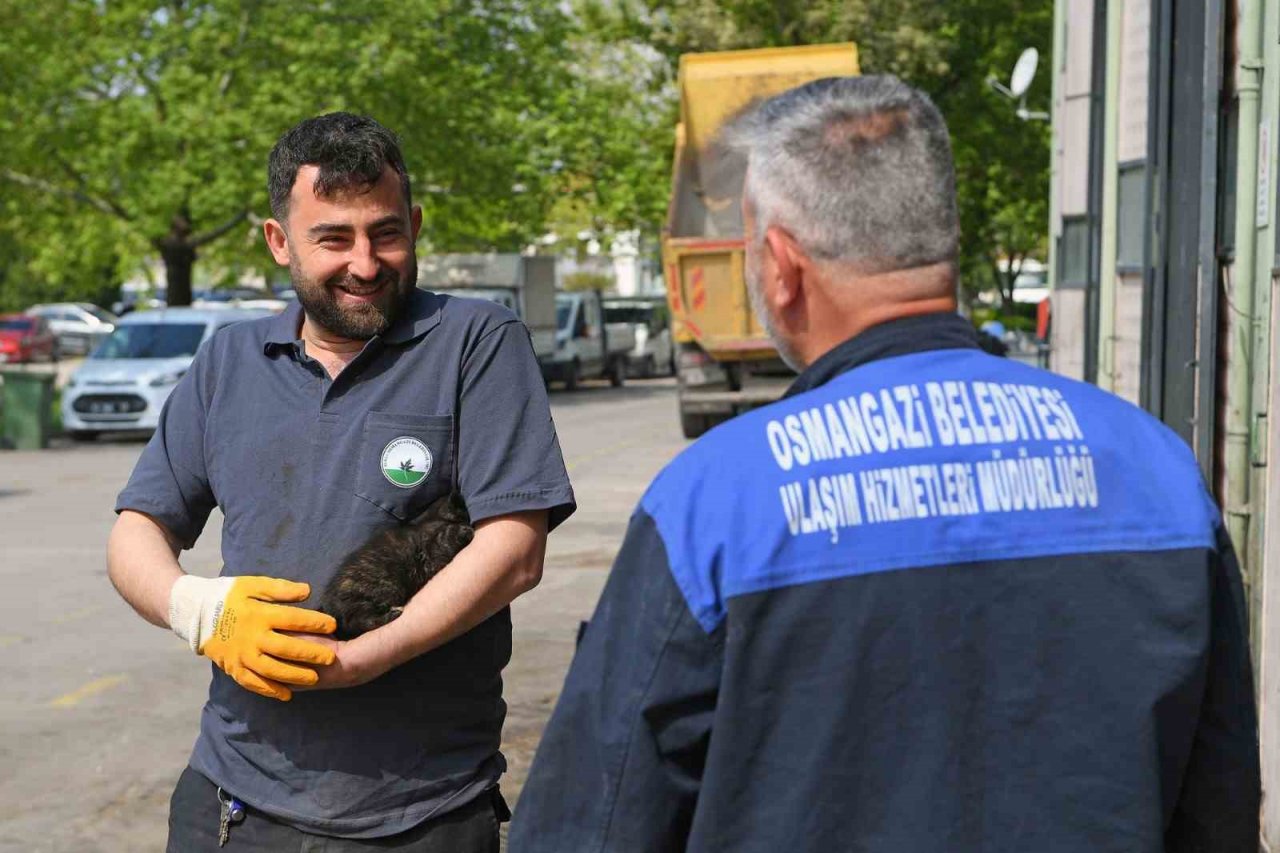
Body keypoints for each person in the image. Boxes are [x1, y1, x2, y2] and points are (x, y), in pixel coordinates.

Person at [509, 76, 1259, 852]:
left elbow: (591, 823)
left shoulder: (715, 504)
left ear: (779, 265)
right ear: (943, 238)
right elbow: (1221, 807)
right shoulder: (1158, 471)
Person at [107, 113, 575, 851]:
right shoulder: (230, 361)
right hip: (235, 802)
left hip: (421, 810)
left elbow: (516, 546)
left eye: (385, 232)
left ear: (415, 225)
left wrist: (362, 658)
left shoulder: (476, 344)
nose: (365, 261)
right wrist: (196, 608)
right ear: (278, 241)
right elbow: (137, 529)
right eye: (333, 238)